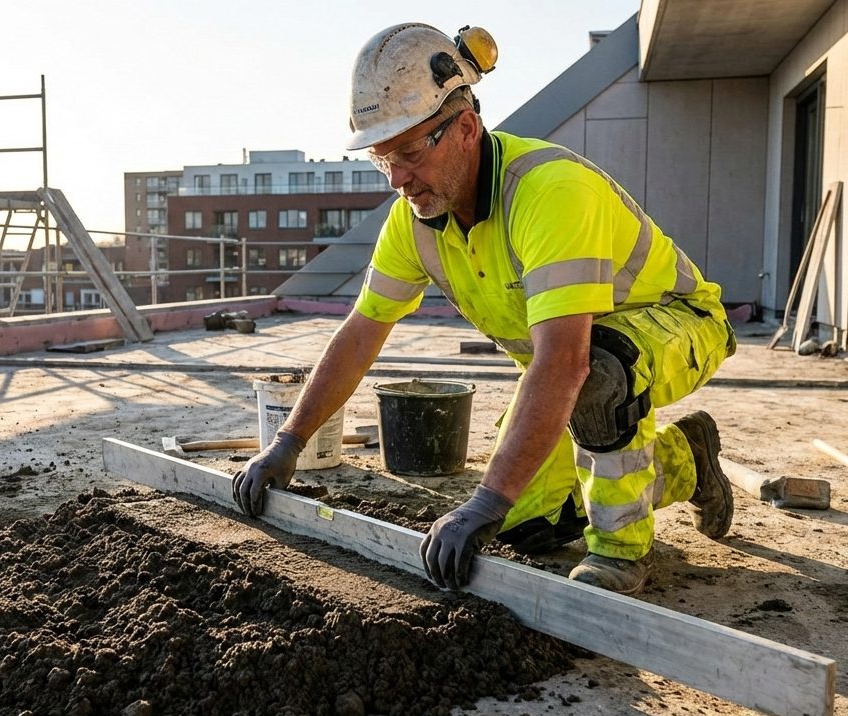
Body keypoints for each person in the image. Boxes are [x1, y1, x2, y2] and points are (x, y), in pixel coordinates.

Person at [233, 23, 737, 596]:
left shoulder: (549, 192)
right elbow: (359, 337)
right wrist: (287, 443)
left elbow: (567, 364)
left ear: (466, 127)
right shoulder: (415, 220)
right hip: (570, 360)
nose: (398, 179)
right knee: (522, 525)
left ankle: (621, 551)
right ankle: (689, 459)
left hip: (676, 324)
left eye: (408, 152)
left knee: (597, 374)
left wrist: (484, 499)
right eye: (382, 160)